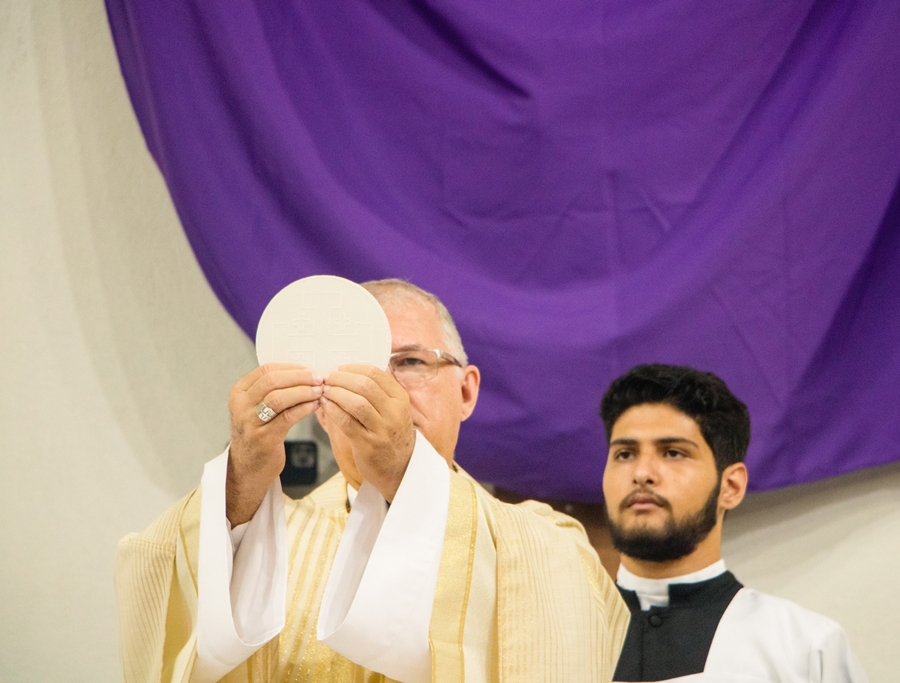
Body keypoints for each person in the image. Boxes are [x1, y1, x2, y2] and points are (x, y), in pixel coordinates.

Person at [116, 279, 629, 683]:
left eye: (410, 362)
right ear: (318, 407)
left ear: (467, 392)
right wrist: (240, 481)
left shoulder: (542, 539)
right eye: (357, 367)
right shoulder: (261, 534)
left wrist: (407, 476)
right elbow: (164, 588)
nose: (383, 390)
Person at [599, 364, 868, 683]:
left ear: (731, 486)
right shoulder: (557, 639)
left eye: (672, 452)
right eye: (625, 454)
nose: (642, 473)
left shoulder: (805, 648)